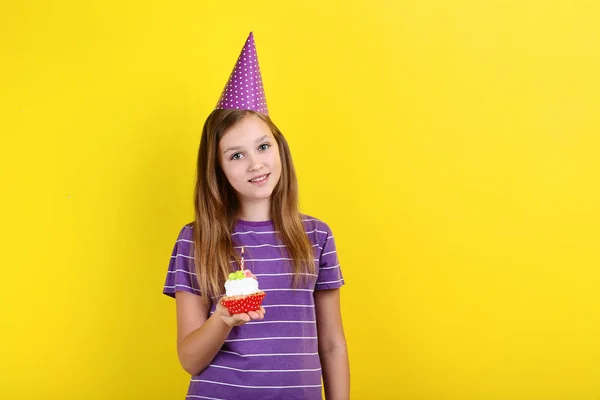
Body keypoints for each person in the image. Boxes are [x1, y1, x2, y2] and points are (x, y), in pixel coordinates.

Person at [163, 32, 349, 399]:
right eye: (236, 155)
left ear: (279, 148)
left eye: (263, 146)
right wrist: (223, 317)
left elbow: (331, 344)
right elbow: (189, 359)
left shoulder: (317, 237)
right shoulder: (195, 240)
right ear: (217, 168)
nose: (255, 164)